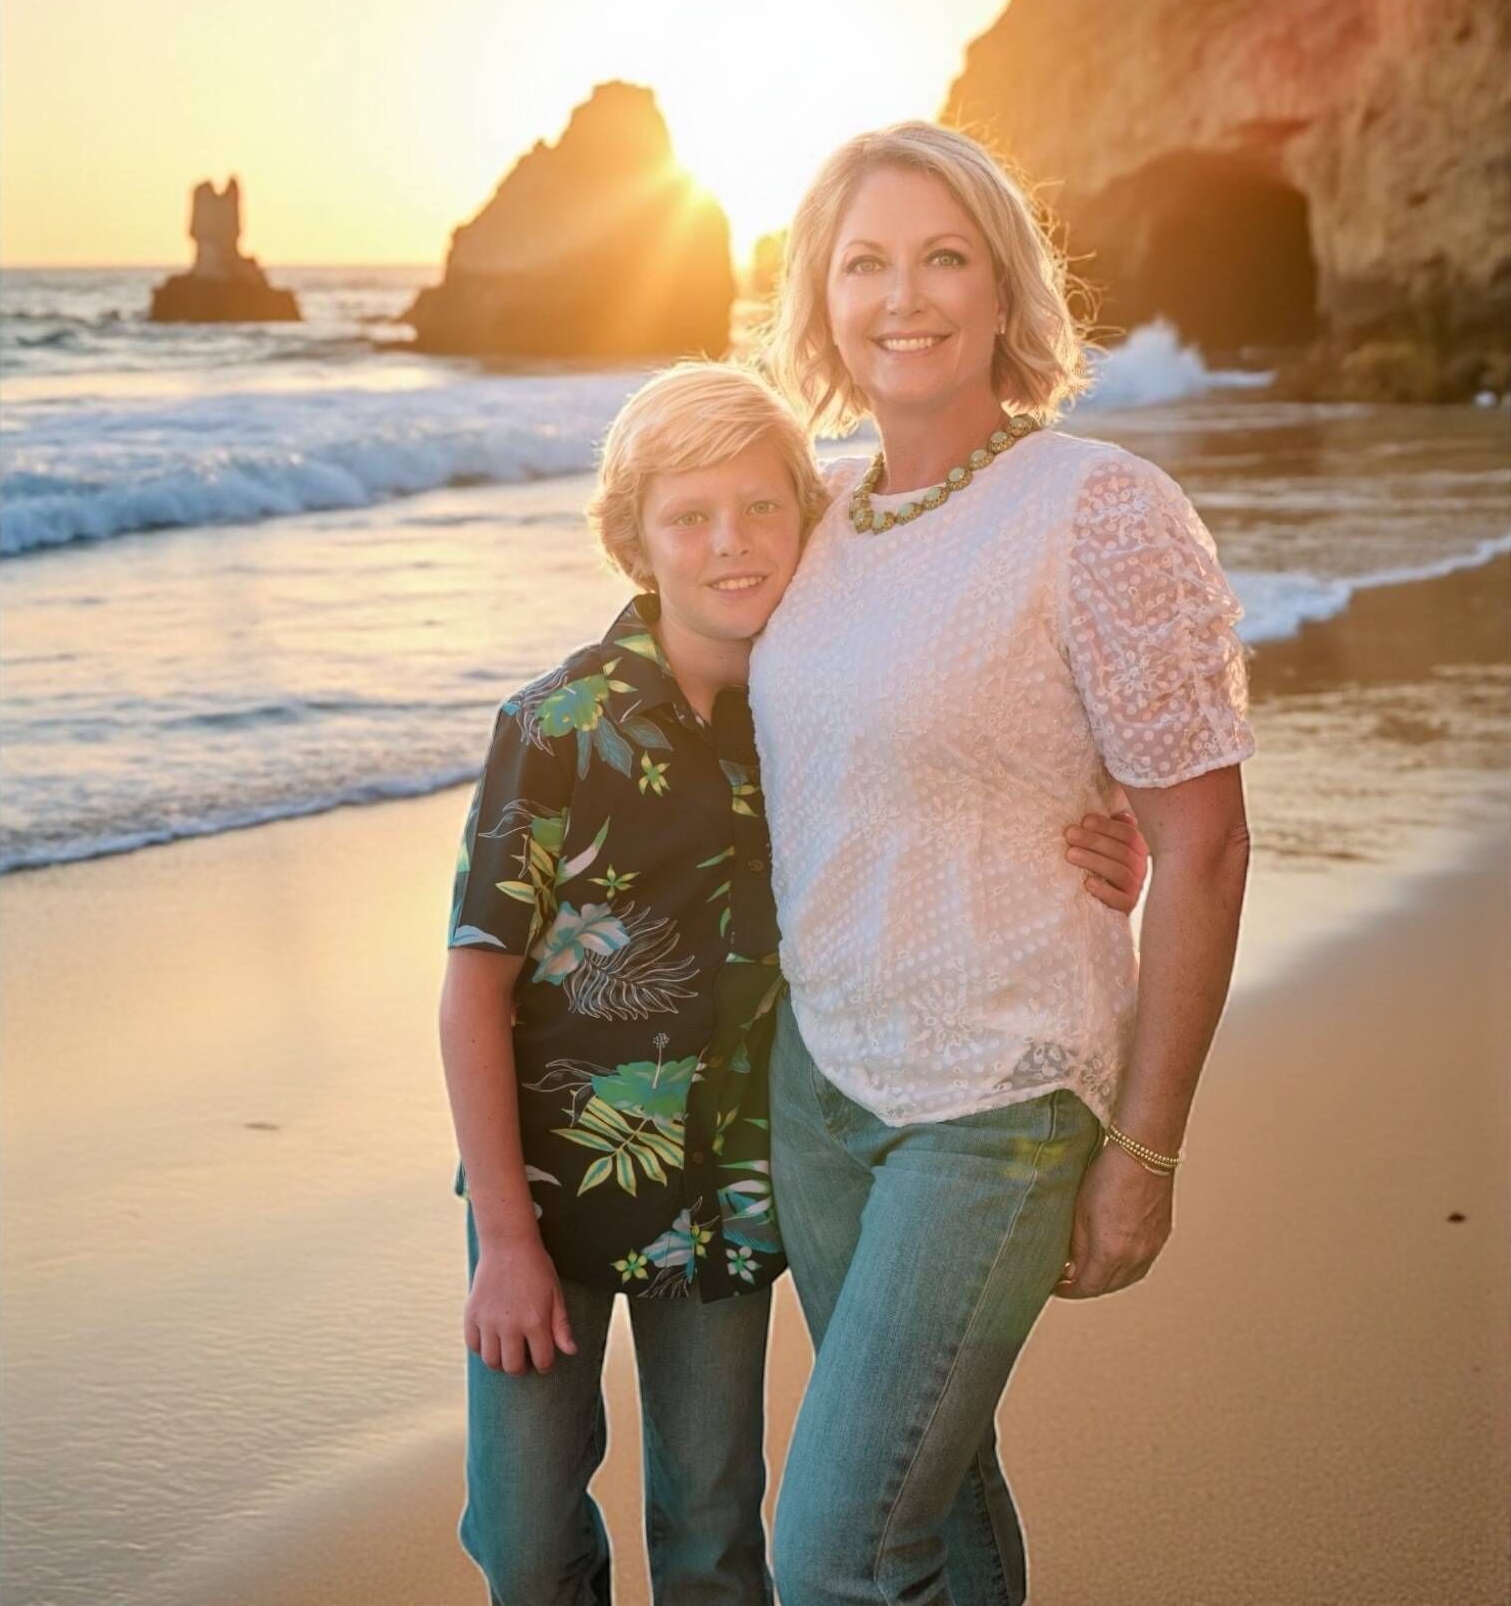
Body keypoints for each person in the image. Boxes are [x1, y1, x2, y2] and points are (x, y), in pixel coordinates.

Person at [438, 359, 1149, 1605]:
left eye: (764, 508)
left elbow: (958, 801)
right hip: (546, 1189)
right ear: (635, 539)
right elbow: (472, 993)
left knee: (715, 1529)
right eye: (690, 517)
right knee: (521, 1531)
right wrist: (502, 1235)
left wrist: (1104, 835)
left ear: (806, 517)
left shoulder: (814, 708)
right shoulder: (556, 726)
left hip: (725, 1192)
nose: (732, 545)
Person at [755, 122, 1256, 1606]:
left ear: (1004, 288)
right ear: (821, 302)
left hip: (1001, 1097)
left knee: (836, 1549)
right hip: (823, 1087)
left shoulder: (1095, 509)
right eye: (865, 265)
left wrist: (1145, 1151)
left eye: (942, 257)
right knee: (938, 1510)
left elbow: (1206, 843)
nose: (901, 296)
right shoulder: (818, 518)